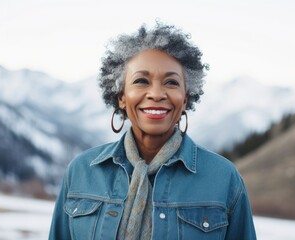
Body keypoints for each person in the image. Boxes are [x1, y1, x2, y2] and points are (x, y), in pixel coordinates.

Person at [49, 22, 256, 240]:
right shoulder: (81, 172)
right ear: (121, 96)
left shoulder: (224, 178)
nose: (156, 94)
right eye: (141, 81)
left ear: (185, 98)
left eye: (171, 82)